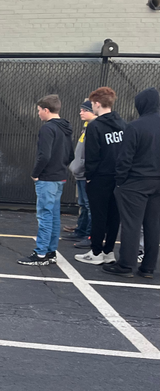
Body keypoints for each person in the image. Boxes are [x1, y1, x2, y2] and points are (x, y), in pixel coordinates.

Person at [102, 87, 160, 279]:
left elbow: (124, 158)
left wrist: (120, 182)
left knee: (131, 225)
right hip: (157, 182)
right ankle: (148, 267)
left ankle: (126, 264)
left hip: (135, 182)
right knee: (153, 225)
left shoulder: (135, 126)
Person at [18, 94, 73, 266]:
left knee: (45, 215)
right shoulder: (66, 128)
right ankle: (50, 251)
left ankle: (40, 253)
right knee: (54, 215)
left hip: (47, 178)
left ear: (46, 110)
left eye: (39, 110)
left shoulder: (47, 129)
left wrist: (35, 173)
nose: (38, 114)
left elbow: (44, 155)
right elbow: (70, 154)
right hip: (59, 177)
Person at [76, 88, 125, 265]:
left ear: (97, 103)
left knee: (98, 216)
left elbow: (92, 155)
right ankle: (109, 251)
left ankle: (96, 252)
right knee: (114, 216)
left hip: (100, 177)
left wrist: (89, 177)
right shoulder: (123, 124)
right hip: (118, 177)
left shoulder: (95, 126)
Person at [64, 99, 96, 243]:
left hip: (85, 173)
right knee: (83, 203)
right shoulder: (87, 126)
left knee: (89, 205)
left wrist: (82, 166)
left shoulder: (94, 127)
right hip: (80, 172)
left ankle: (88, 234)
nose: (80, 112)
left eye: (85, 110)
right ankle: (80, 230)